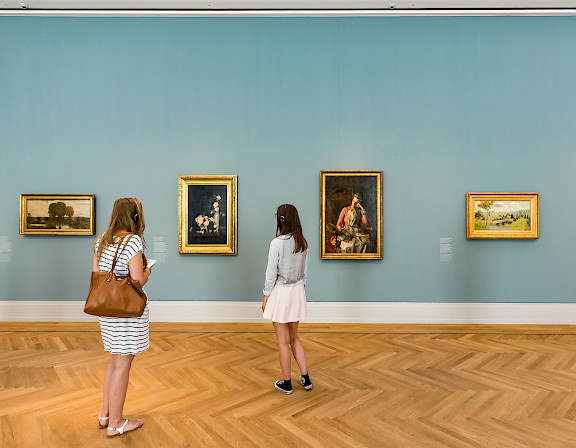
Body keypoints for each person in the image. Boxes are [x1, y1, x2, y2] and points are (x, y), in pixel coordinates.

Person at [92, 198, 151, 437]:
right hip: (127, 311)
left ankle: (105, 414)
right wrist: (147, 271)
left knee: (115, 359)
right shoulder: (132, 240)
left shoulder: (101, 240)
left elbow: (97, 274)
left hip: (107, 308)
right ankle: (116, 423)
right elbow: (137, 280)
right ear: (135, 217)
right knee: (123, 363)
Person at [262, 204, 312, 394]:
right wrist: (299, 292)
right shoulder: (302, 242)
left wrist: (266, 297)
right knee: (294, 338)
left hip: (281, 294)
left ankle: (287, 383)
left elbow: (270, 274)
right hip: (297, 292)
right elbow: (304, 273)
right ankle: (305, 378)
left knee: (283, 341)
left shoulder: (277, 243)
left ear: (280, 219)